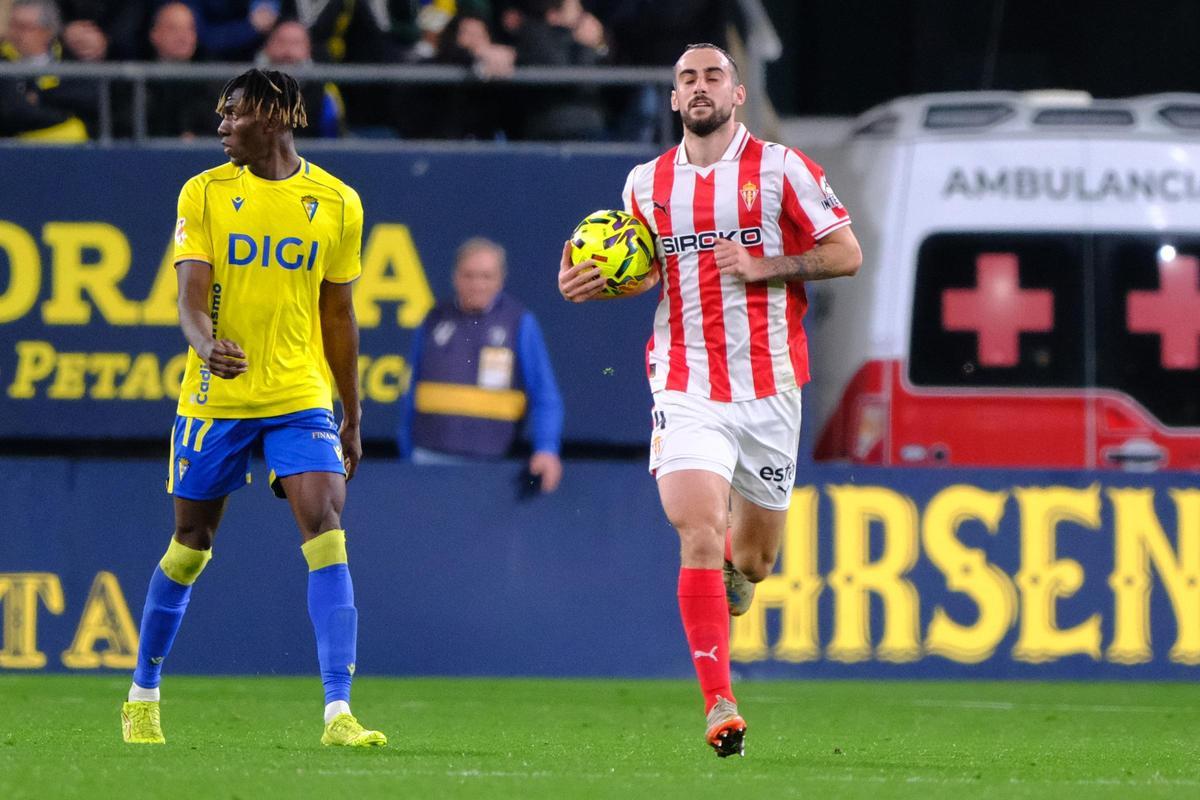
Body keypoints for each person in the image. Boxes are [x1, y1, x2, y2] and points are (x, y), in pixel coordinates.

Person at [557, 43, 861, 757]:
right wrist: (591, 280)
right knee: (696, 526)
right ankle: (720, 703)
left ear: (737, 93)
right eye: (686, 79)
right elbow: (640, 270)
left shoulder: (783, 169)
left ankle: (735, 568)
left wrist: (767, 267)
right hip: (685, 378)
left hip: (770, 387)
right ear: (672, 99)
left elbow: (845, 253)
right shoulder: (646, 182)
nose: (699, 88)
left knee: (752, 562)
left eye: (712, 77)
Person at [120, 68, 387, 749]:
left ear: (270, 118)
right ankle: (143, 693)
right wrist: (206, 344)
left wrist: (351, 415)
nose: (219, 126)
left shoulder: (336, 203)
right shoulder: (204, 192)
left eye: (230, 113)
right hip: (217, 396)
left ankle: (338, 712)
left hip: (299, 393)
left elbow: (339, 314)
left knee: (326, 525)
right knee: (191, 545)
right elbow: (188, 296)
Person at [399, 237, 564, 493]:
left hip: (493, 466)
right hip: (427, 461)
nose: (477, 284)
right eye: (469, 275)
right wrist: (406, 452)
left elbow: (544, 394)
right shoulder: (434, 318)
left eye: (486, 276)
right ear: (455, 277)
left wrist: (546, 448)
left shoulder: (518, 322)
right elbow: (410, 389)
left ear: (501, 278)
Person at [0, 0, 97, 140]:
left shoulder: (67, 57)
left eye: (24, 27)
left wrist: (39, 96)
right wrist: (64, 117)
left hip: (69, 150)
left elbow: (88, 97)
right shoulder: (3, 60)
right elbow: (14, 111)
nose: (16, 34)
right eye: (13, 26)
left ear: (48, 31)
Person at [257, 19, 344, 138]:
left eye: (296, 43)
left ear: (308, 51)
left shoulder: (324, 94)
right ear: (267, 47)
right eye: (281, 42)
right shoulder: (242, 90)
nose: (287, 51)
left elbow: (334, 143)